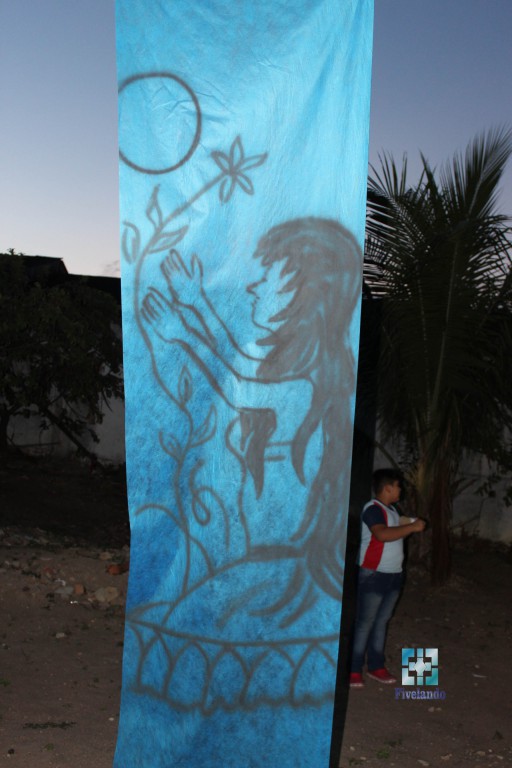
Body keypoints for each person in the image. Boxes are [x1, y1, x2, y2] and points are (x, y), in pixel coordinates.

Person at [349, 468, 425, 687]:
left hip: (393, 575)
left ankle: (376, 666)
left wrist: (411, 522)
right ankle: (353, 669)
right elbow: (381, 534)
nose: (401, 490)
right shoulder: (372, 509)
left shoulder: (390, 510)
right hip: (374, 574)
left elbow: (399, 521)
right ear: (388, 488)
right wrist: (412, 526)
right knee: (365, 623)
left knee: (381, 621)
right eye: (398, 486)